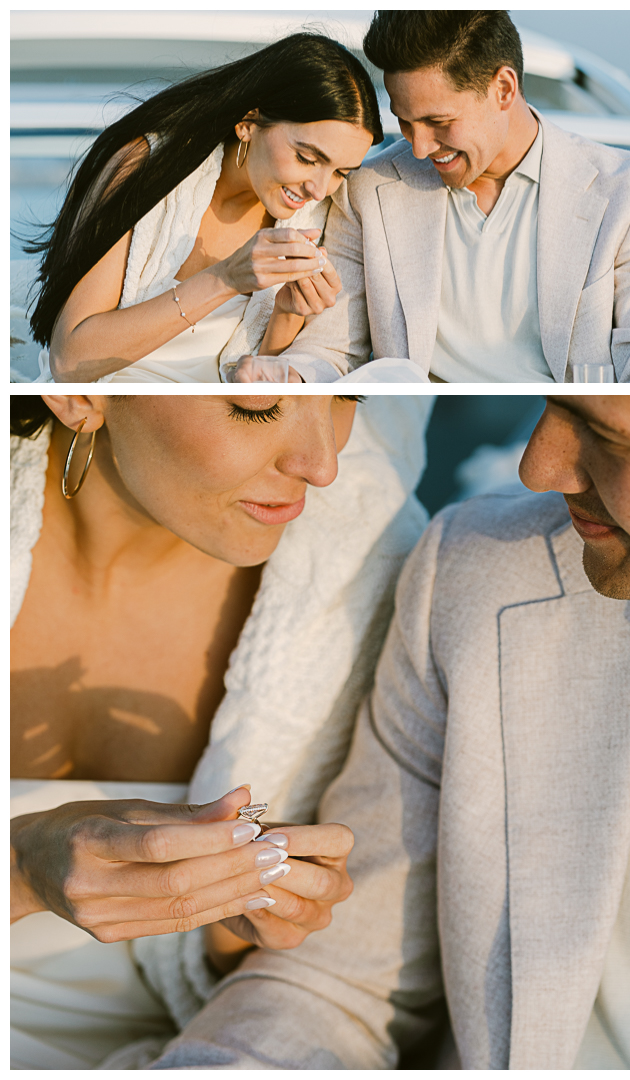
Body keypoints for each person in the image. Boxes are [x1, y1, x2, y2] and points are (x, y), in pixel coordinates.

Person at [150, 393, 630, 1070]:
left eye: (609, 433)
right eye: (556, 401)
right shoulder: (482, 572)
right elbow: (344, 984)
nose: (539, 466)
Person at [10, 392, 432, 1069]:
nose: (321, 465)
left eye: (346, 394)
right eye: (258, 404)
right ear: (84, 392)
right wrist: (20, 871)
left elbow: (350, 991)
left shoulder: (370, 568)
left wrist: (239, 925)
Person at [278, 11, 630, 383]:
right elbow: (331, 352)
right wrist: (290, 372)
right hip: (427, 450)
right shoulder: (368, 191)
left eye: (438, 121)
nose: (421, 148)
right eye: (406, 123)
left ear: (503, 88)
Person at [22, 34, 382, 384]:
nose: (318, 189)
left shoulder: (318, 218)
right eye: (306, 158)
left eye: (340, 172)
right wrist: (224, 279)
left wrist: (287, 315)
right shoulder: (146, 166)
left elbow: (254, 387)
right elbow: (69, 361)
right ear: (249, 122)